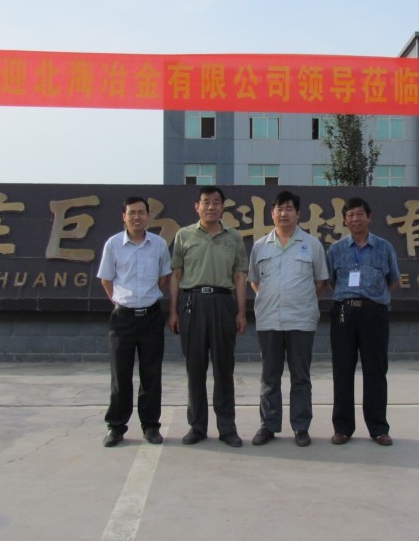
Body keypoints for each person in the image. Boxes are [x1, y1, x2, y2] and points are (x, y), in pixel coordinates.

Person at [247, 190, 329, 447]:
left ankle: (301, 427)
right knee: (269, 376)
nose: (284, 213)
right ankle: (268, 425)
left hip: (301, 321)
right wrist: (272, 299)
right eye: (279, 209)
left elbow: (320, 281)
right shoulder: (260, 246)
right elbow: (254, 281)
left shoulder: (312, 245)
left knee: (300, 377)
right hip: (269, 320)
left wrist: (299, 300)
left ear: (298, 213)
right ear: (272, 213)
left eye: (289, 209)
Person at [169, 185, 248, 447]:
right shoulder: (184, 235)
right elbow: (176, 275)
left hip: (223, 303)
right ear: (197, 207)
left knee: (224, 369)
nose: (211, 206)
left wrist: (241, 312)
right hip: (192, 303)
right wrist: (173, 311)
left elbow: (239, 276)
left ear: (223, 207)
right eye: (206, 202)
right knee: (195, 369)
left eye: (216, 202)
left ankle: (227, 428)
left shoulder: (233, 237)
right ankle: (197, 426)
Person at [97, 196, 172, 447]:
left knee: (151, 375)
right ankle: (116, 427)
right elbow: (106, 279)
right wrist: (119, 302)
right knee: (120, 375)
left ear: (148, 216)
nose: (137, 217)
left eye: (141, 212)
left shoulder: (159, 244)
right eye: (132, 213)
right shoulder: (113, 244)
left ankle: (150, 426)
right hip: (123, 319)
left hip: (151, 317)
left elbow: (164, 278)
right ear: (124, 216)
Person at [326, 196, 401, 446]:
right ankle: (342, 428)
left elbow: (393, 280)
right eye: (350, 215)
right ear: (345, 220)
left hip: (374, 314)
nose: (355, 219)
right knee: (342, 370)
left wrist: (372, 299)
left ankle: (378, 428)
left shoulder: (384, 247)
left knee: (375, 371)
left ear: (369, 217)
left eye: (360, 214)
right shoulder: (335, 250)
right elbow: (332, 282)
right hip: (344, 313)